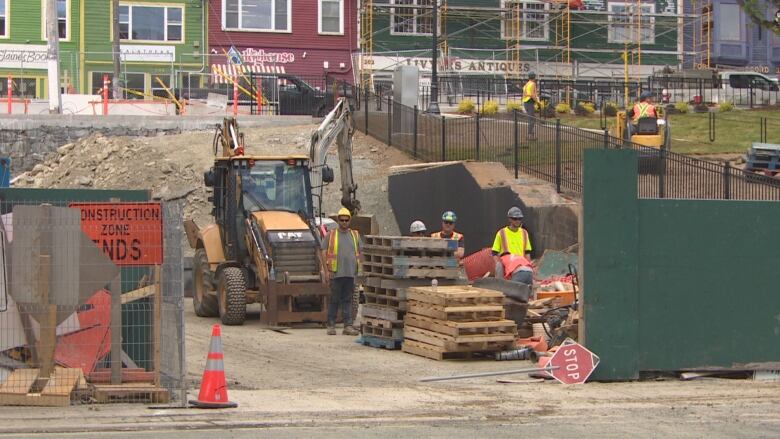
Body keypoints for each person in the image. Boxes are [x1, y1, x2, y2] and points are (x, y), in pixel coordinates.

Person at [322, 207, 361, 336]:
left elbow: (361, 253)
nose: (344, 222)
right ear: (338, 220)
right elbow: (322, 251)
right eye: (342, 220)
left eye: (346, 220)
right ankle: (331, 325)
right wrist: (326, 270)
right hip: (336, 273)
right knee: (334, 299)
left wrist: (360, 270)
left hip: (350, 274)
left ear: (350, 220)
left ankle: (348, 326)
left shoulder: (355, 235)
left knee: (347, 300)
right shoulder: (331, 234)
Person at [491, 206, 533, 285]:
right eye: (515, 219)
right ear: (509, 219)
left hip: (520, 264)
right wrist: (500, 264)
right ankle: (500, 287)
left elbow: (527, 252)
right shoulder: (502, 233)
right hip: (506, 263)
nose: (517, 221)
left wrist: (528, 264)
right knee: (499, 267)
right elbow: (494, 253)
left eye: (519, 219)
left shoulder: (524, 233)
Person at [522, 72, 540, 140]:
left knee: (532, 119)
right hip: (529, 103)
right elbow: (532, 95)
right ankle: (530, 135)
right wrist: (537, 102)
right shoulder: (533, 84)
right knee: (531, 119)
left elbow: (524, 94)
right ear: (534, 77)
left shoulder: (526, 84)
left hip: (525, 103)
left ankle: (531, 134)